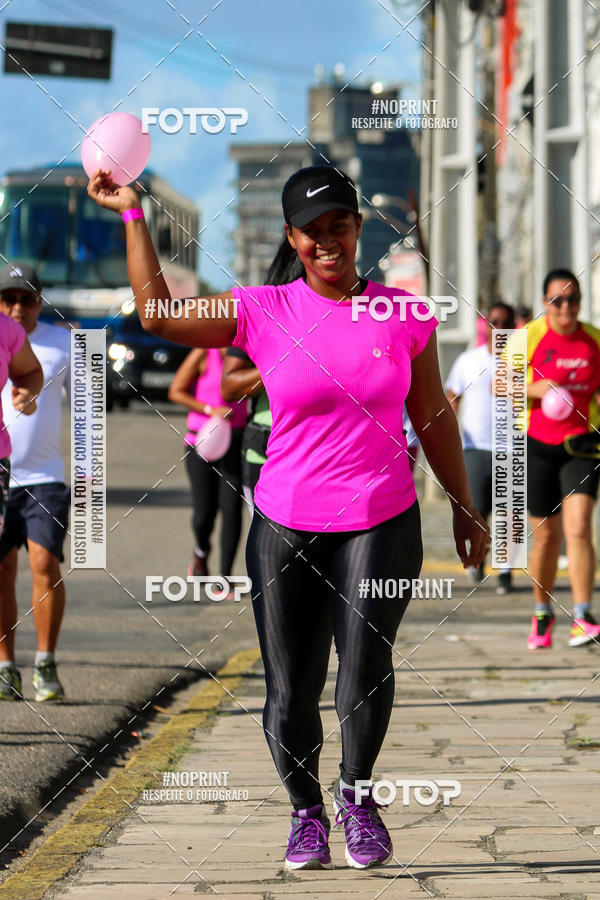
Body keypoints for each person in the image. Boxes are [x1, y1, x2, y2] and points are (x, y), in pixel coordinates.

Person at [87, 163, 489, 871]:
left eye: (340, 225)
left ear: (360, 227)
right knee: (290, 687)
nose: (327, 242)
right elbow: (153, 315)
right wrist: (132, 215)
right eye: (312, 231)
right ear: (292, 237)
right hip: (285, 523)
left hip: (381, 515)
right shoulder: (260, 308)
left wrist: (464, 505)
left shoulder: (405, 313)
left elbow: (430, 414)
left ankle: (357, 801)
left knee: (364, 665)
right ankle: (307, 813)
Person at [510, 269, 600, 650]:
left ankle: (582, 614)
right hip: (536, 445)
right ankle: (542, 611)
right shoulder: (527, 337)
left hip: (582, 444)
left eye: (573, 300)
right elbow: (500, 384)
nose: (566, 307)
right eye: (557, 300)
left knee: (579, 527)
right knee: (546, 536)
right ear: (545, 303)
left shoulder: (594, 340)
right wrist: (535, 386)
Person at [446, 302, 516, 594]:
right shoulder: (468, 361)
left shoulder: (521, 360)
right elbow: (452, 396)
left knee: (509, 513)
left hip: (512, 447)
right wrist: (450, 439)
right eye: (493, 321)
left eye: (505, 322)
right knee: (479, 511)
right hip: (475, 447)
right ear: (485, 326)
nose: (498, 327)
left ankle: (506, 571)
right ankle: (478, 561)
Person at [0, 262, 46, 701]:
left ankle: (42, 662)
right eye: (7, 297)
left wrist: (27, 393)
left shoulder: (68, 341)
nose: (16, 306)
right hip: (15, 472)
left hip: (41, 476)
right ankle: (6, 664)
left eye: (26, 298)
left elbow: (91, 413)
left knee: (40, 566)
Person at [168, 347, 247, 582]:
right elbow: (176, 391)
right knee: (204, 513)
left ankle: (226, 576)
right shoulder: (204, 353)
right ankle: (201, 551)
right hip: (200, 442)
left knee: (232, 509)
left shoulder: (248, 354)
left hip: (235, 442)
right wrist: (210, 410)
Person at [221, 349, 271, 513]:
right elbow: (229, 388)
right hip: (262, 454)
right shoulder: (260, 324)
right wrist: (281, 363)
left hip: (330, 456)